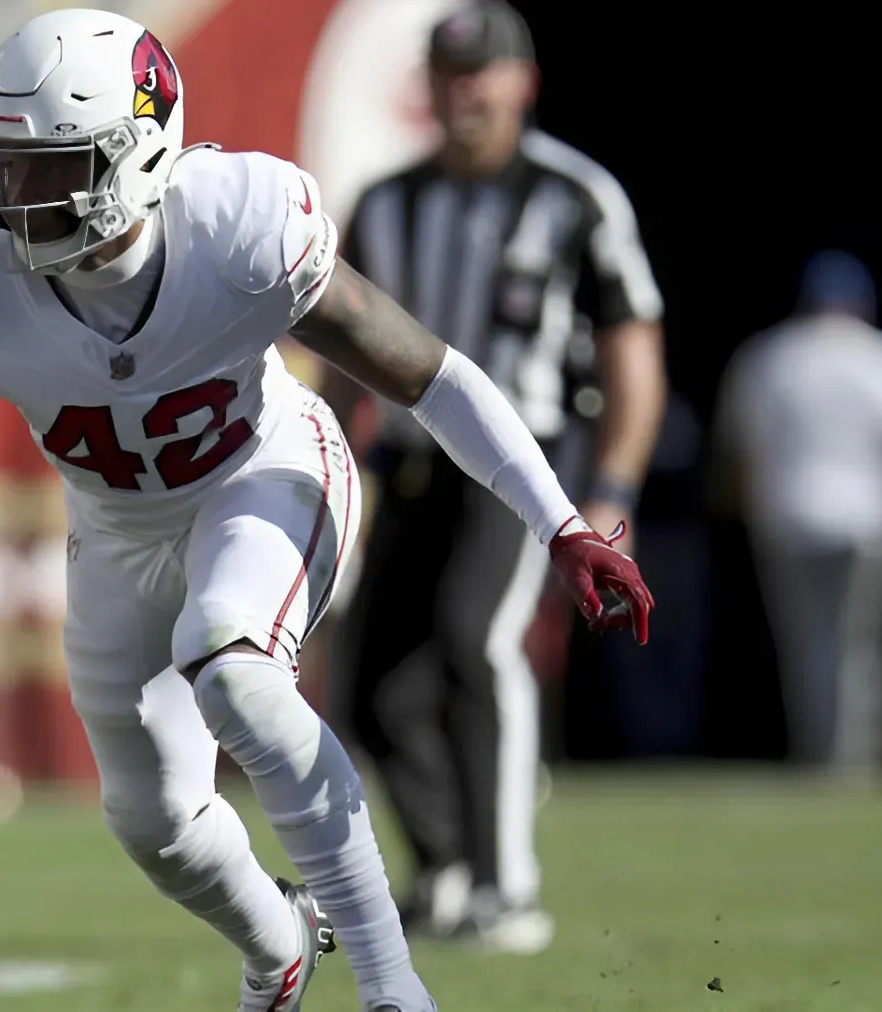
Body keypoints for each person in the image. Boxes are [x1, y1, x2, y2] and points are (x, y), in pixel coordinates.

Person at [0, 10, 651, 1012]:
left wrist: (560, 520)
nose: (12, 199)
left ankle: (396, 990)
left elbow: (429, 378)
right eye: (1, 166)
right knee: (154, 820)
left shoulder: (237, 223)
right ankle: (279, 951)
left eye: (51, 169)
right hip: (114, 530)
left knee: (238, 669)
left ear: (139, 156)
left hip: (260, 473)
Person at [325, 0, 668, 952]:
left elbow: (631, 350)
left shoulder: (575, 196)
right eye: (447, 73)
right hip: (408, 466)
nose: (463, 92)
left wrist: (610, 492)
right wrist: (332, 466)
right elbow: (340, 352)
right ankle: (442, 871)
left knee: (478, 640)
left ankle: (506, 888)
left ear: (523, 80)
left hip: (529, 461)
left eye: (480, 74)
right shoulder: (385, 201)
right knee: (368, 690)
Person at [715, 250, 882, 772]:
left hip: (787, 519)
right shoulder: (873, 355)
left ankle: (820, 756)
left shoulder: (769, 356)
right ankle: (846, 759)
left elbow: (739, 452)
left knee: (806, 645)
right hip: (864, 520)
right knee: (856, 648)